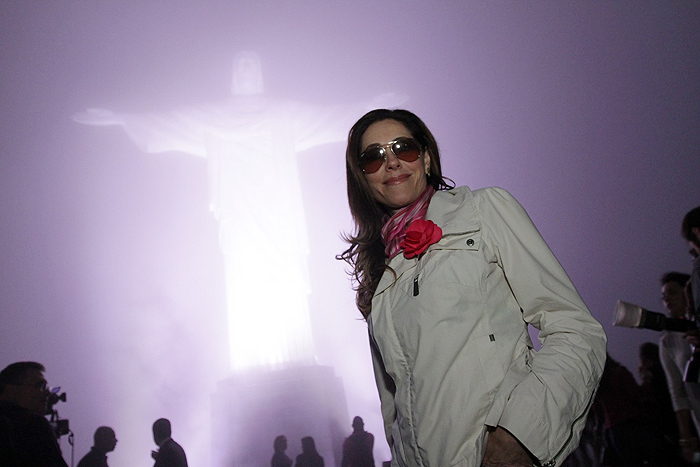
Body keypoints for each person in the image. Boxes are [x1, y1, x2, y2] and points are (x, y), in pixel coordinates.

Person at [337, 109, 607, 466]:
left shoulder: (483, 211)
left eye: (404, 148)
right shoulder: (381, 277)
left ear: (427, 158)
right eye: (373, 157)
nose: (391, 163)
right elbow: (394, 405)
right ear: (362, 177)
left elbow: (576, 330)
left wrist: (520, 437)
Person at [658, 271, 700, 463]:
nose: (667, 300)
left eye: (673, 293)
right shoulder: (668, 340)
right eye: (664, 297)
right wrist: (687, 439)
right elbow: (677, 392)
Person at [0, 361, 69, 467]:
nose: (47, 393)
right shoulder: (34, 425)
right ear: (12, 390)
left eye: (46, 387)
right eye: (40, 386)